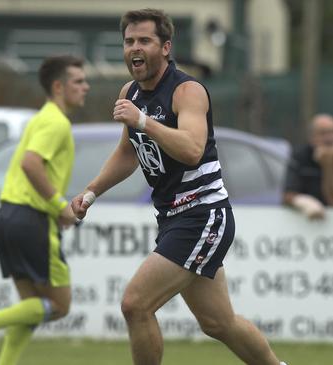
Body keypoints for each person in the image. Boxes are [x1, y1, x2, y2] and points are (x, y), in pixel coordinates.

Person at [70, 9, 287, 365]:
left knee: (135, 304)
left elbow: (191, 149)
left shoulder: (188, 91)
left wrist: (142, 120)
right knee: (219, 323)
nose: (134, 48)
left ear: (166, 47)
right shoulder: (131, 92)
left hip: (202, 214)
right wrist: (91, 192)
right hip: (174, 217)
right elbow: (129, 153)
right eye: (129, 41)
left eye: (144, 41)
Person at [0, 55, 89, 365]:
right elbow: (30, 163)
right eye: (79, 81)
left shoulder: (41, 117)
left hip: (7, 216)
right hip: (33, 221)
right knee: (59, 305)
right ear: (58, 86)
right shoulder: (56, 122)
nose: (86, 87)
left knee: (32, 305)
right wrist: (60, 206)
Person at [283, 113, 333, 220]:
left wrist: (328, 166)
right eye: (323, 133)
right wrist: (308, 203)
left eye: (331, 132)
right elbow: (287, 195)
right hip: (304, 222)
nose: (329, 139)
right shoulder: (300, 156)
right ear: (312, 137)